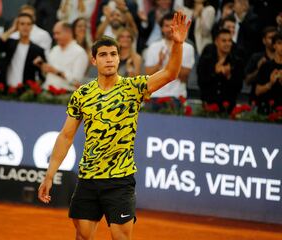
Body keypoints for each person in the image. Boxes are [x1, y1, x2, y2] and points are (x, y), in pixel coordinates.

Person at [38, 12, 190, 240]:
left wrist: (177, 44)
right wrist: (50, 175)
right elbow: (66, 136)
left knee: (121, 237)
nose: (109, 59)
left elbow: (170, 73)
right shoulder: (82, 94)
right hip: (88, 178)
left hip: (120, 179)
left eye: (113, 54)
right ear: (94, 60)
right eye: (103, 55)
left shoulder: (134, 87)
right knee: (83, 235)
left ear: (119, 58)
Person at [144, 12, 195, 111]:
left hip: (176, 96)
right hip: (154, 95)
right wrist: (159, 63)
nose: (170, 29)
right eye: (166, 26)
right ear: (162, 29)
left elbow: (184, 77)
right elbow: (148, 75)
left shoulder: (188, 48)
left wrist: (174, 57)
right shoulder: (153, 47)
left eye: (172, 25)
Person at [197, 28, 244, 112]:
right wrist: (214, 72)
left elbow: (239, 87)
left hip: (228, 108)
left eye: (229, 41)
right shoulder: (206, 60)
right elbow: (201, 82)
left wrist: (229, 76)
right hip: (208, 107)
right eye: (224, 41)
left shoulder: (237, 62)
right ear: (216, 42)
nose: (227, 44)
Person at [0, 13, 45, 87]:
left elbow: (42, 74)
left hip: (25, 92)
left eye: (28, 24)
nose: (25, 27)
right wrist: (12, 29)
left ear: (32, 27)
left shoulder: (38, 50)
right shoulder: (10, 43)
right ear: (17, 25)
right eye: (22, 24)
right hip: (5, 89)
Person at [41, 21, 89, 92]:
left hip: (66, 95)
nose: (55, 37)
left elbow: (76, 81)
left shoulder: (80, 53)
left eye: (58, 33)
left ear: (68, 32)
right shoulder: (54, 50)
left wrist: (56, 72)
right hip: (46, 91)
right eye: (54, 33)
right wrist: (44, 68)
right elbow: (48, 74)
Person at [244, 27, 277, 102]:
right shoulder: (256, 58)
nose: (273, 41)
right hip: (257, 100)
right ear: (264, 40)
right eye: (270, 38)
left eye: (275, 38)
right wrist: (258, 69)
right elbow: (247, 81)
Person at [255, 32, 282, 114]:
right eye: (279, 43)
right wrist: (270, 83)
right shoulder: (266, 66)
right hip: (266, 110)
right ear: (274, 46)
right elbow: (257, 91)